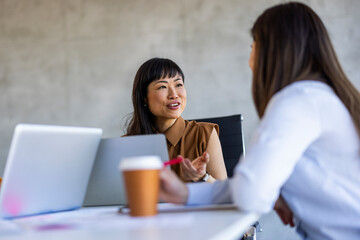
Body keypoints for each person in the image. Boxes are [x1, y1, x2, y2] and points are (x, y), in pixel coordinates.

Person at [158, 2, 360, 239]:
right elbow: (254, 187)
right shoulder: (320, 98)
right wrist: (185, 194)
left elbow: (249, 193)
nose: (250, 59)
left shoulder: (296, 102)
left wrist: (272, 190)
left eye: (253, 46)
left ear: (273, 51)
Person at [126, 57, 227, 183]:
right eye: (162, 87)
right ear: (144, 98)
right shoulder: (128, 143)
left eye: (178, 84)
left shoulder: (204, 133)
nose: (174, 94)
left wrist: (202, 177)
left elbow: (224, 192)